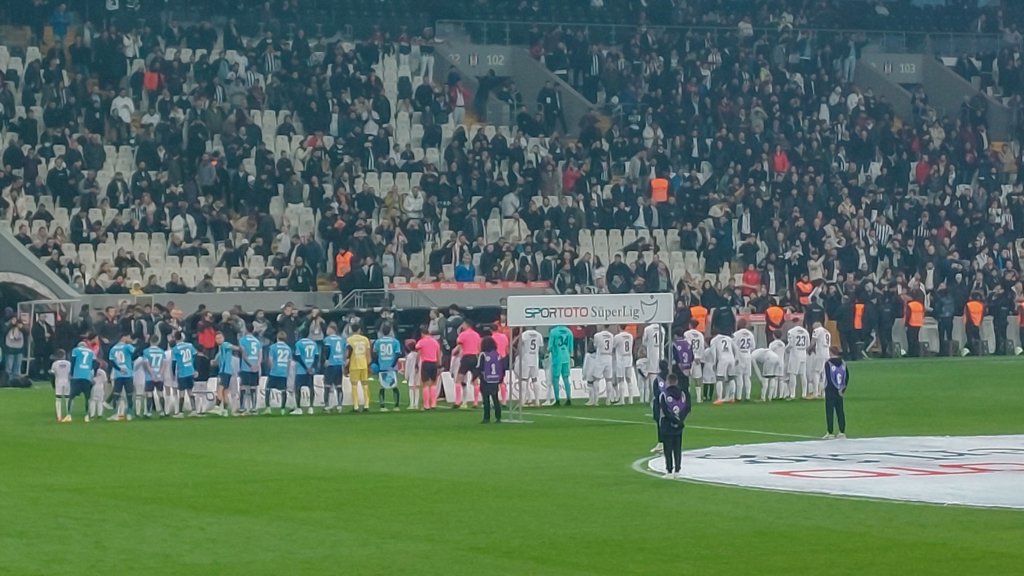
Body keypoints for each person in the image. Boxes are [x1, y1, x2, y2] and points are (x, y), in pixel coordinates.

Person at [658, 374, 691, 478]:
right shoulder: (682, 394)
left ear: (668, 382)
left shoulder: (664, 395)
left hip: (667, 424)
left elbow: (665, 411)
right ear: (676, 382)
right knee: (677, 448)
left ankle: (669, 471)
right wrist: (680, 420)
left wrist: (673, 420)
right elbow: (686, 408)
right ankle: (677, 470)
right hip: (679, 425)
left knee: (668, 448)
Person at [452, 320, 482, 408]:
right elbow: (479, 347)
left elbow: (460, 347)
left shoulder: (462, 335)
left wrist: (455, 354)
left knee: (459, 379)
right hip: (475, 357)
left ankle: (457, 401)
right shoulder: (477, 335)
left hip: (466, 357)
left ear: (466, 325)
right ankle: (475, 402)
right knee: (475, 380)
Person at [108, 334, 137, 420]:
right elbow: (136, 353)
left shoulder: (113, 348)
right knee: (129, 395)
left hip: (118, 375)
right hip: (128, 374)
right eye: (128, 337)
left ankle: (116, 413)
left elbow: (111, 362)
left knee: (117, 394)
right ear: (123, 337)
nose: (129, 339)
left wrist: (119, 369)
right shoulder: (127, 346)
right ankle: (129, 414)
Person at [373, 324, 402, 411]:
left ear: (382, 331)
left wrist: (378, 363)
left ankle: (382, 406)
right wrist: (392, 365)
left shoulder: (378, 342)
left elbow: (374, 353)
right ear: (390, 331)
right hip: (392, 367)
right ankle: (396, 406)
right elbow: (397, 354)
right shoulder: (395, 341)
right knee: (394, 385)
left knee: (382, 386)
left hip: (382, 366)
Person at [823, 346, 849, 439]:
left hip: (830, 391)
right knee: (840, 411)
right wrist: (842, 389)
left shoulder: (828, 363)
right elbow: (847, 377)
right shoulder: (843, 363)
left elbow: (828, 377)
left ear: (831, 352)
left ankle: (830, 432)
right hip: (840, 391)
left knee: (829, 412)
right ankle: (842, 431)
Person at [264, 332, 292, 415]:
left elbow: (270, 360)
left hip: (274, 371)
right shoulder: (288, 348)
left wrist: (271, 369)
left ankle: (268, 408)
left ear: (277, 338)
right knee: (283, 391)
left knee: (268, 389)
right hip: (283, 372)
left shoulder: (273, 347)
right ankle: (282, 409)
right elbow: (289, 362)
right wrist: (287, 372)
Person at [171, 334, 199, 418]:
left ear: (175, 339)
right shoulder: (190, 345)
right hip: (190, 371)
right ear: (182, 337)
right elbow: (195, 356)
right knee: (190, 390)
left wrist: (173, 374)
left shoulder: (175, 349)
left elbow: (173, 363)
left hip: (182, 372)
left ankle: (180, 412)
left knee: (182, 392)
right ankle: (194, 410)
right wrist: (195, 369)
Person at [346, 323, 372, 412]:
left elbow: (347, 354)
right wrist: (368, 364)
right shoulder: (365, 339)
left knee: (354, 386)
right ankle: (366, 405)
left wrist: (346, 365)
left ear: (351, 330)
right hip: (364, 364)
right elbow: (368, 354)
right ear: (359, 330)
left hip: (354, 365)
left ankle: (356, 406)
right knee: (365, 385)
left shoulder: (349, 340)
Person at [477, 336, 503, 423]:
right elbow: (501, 366)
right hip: (495, 379)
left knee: (486, 399)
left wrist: (476, 376)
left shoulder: (483, 355)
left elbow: (479, 367)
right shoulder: (497, 354)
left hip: (485, 379)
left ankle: (486, 417)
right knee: (495, 398)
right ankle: (498, 417)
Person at [321, 324, 346, 412]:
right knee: (339, 386)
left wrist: (326, 359)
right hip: (339, 365)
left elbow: (327, 349)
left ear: (332, 329)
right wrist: (345, 360)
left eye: (328, 329)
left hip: (331, 364)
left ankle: (327, 405)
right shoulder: (342, 339)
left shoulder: (327, 339)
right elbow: (347, 349)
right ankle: (339, 406)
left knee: (327, 386)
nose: (327, 330)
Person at [517, 328, 544, 407]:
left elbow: (519, 346)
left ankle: (522, 401)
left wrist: (519, 355)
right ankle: (537, 401)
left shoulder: (524, 334)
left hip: (526, 359)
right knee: (535, 379)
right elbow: (541, 347)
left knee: (524, 379)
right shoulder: (539, 335)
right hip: (535, 359)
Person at [415, 325, 441, 410]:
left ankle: (426, 404)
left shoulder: (421, 342)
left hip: (426, 363)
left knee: (425, 384)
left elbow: (419, 353)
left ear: (422, 333)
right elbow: (438, 354)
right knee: (433, 383)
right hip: (434, 363)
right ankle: (433, 403)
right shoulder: (435, 342)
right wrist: (439, 364)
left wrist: (416, 363)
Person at [547, 324, 573, 405]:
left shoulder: (553, 331)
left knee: (556, 378)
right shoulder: (569, 331)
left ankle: (557, 399)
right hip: (566, 356)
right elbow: (571, 347)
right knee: (566, 378)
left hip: (557, 357)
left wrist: (547, 352)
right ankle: (569, 398)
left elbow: (550, 346)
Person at [213, 332, 239, 416]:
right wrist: (213, 362)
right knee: (225, 392)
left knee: (220, 389)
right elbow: (217, 360)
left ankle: (217, 407)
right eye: (217, 338)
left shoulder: (225, 345)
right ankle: (225, 411)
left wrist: (238, 348)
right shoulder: (220, 350)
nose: (219, 340)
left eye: (220, 338)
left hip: (225, 371)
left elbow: (233, 347)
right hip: (225, 371)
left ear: (223, 338)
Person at [238, 330, 263, 415]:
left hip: (246, 367)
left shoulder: (242, 340)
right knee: (253, 387)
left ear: (246, 330)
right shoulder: (257, 341)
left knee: (243, 387)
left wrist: (250, 365)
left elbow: (243, 354)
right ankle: (254, 407)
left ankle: (242, 407)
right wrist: (257, 365)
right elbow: (260, 355)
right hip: (255, 367)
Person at [293, 335, 319, 415]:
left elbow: (298, 357)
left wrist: (305, 368)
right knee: (311, 387)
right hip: (311, 369)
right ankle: (311, 408)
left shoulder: (299, 343)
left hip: (301, 370)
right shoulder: (314, 343)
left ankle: (299, 408)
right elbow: (317, 357)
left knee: (297, 388)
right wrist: (312, 367)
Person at [708, 330, 736, 404]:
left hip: (722, 359)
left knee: (719, 379)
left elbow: (713, 352)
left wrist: (714, 363)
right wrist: (735, 358)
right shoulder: (728, 338)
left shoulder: (714, 340)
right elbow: (735, 348)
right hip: (731, 358)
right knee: (731, 378)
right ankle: (731, 397)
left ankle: (719, 398)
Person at [142, 336, 167, 417]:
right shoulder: (162, 351)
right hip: (159, 376)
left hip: (149, 376)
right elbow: (164, 364)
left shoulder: (146, 351)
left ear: (150, 341)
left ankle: (149, 412)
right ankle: (163, 412)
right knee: (160, 393)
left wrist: (152, 374)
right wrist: (160, 374)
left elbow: (147, 364)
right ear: (158, 341)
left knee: (149, 394)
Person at [682, 320, 706, 402]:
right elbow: (702, 346)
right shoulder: (700, 335)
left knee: (687, 378)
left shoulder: (687, 334)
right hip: (697, 359)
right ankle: (699, 398)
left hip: (689, 358)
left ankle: (687, 397)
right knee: (697, 378)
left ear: (690, 325)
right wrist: (700, 357)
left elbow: (687, 345)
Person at [640, 324, 665, 404]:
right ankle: (662, 395)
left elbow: (644, 342)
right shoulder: (662, 329)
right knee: (661, 375)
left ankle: (654, 397)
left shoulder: (648, 329)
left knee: (652, 375)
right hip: (661, 354)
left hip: (652, 355)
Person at [731, 321, 755, 402]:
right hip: (748, 355)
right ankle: (748, 396)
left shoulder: (736, 334)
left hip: (739, 356)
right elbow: (753, 346)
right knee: (747, 377)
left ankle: (739, 396)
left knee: (739, 376)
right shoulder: (750, 334)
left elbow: (733, 346)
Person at [786, 323, 810, 400]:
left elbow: (790, 344)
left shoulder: (791, 331)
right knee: (803, 374)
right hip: (803, 354)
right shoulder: (805, 332)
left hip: (795, 355)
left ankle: (792, 394)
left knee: (793, 374)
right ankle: (804, 393)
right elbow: (808, 344)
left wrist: (786, 349)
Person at [808, 321, 832, 399]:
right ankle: (824, 393)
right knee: (824, 373)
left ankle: (815, 393)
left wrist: (809, 349)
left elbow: (813, 341)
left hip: (820, 354)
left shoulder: (817, 330)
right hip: (827, 354)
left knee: (816, 372)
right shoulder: (827, 332)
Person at [613, 326, 636, 405]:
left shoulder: (617, 337)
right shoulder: (630, 336)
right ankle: (631, 399)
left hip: (621, 360)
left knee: (621, 379)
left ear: (619, 327)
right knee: (629, 379)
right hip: (629, 358)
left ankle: (622, 400)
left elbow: (613, 346)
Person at [592, 327, 615, 405]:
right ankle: (608, 400)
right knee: (609, 380)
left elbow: (595, 346)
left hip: (600, 358)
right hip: (609, 357)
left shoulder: (597, 335)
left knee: (596, 379)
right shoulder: (611, 335)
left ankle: (596, 400)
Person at [51, 349, 72, 422]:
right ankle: (68, 415)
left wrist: (53, 384)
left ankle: (59, 416)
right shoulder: (69, 363)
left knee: (58, 400)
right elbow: (71, 373)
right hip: (67, 382)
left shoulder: (55, 364)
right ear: (64, 355)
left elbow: (52, 374)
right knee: (67, 399)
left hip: (58, 382)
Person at [404, 339, 421, 410]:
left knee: (411, 388)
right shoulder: (418, 355)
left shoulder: (409, 356)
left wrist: (406, 376)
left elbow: (407, 367)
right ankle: (416, 404)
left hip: (411, 373)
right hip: (418, 373)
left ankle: (411, 404)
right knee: (417, 388)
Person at [582, 342, 600, 406]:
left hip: (589, 371)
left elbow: (585, 365)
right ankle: (596, 401)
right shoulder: (599, 355)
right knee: (596, 385)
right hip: (597, 370)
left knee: (590, 386)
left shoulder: (588, 355)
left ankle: (591, 400)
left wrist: (584, 374)